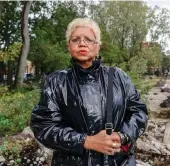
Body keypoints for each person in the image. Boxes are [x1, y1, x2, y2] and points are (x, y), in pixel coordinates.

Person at [30, 18, 148, 166]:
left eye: (88, 39)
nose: (82, 43)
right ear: (69, 46)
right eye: (75, 39)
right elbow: (43, 126)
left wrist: (123, 135)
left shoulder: (118, 77)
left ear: (97, 46)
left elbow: (139, 112)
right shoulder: (56, 82)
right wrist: (86, 141)